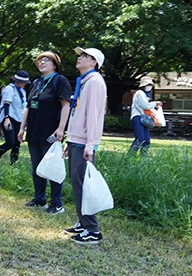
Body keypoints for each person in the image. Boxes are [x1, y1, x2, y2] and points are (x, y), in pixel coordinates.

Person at [17, 51, 72, 214]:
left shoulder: (59, 81)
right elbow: (28, 106)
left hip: (50, 132)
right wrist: (22, 128)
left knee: (52, 166)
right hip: (33, 131)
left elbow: (66, 105)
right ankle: (39, 199)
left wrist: (61, 128)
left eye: (46, 60)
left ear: (54, 65)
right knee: (37, 167)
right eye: (40, 60)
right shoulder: (36, 83)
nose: (42, 62)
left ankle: (57, 203)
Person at [64, 47, 108, 245]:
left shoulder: (95, 82)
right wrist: (69, 139)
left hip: (84, 141)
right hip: (77, 139)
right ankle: (83, 223)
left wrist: (90, 143)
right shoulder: (85, 82)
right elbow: (78, 113)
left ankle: (92, 229)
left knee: (82, 184)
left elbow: (93, 115)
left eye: (85, 56)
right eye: (80, 55)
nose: (79, 58)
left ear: (94, 62)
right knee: (77, 182)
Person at [0, 70, 30, 169]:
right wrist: (6, 118)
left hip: (19, 119)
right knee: (10, 142)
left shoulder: (22, 91)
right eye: (22, 82)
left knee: (17, 143)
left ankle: (14, 164)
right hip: (9, 118)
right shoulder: (10, 89)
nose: (24, 84)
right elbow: (6, 104)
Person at [129, 75, 163, 154]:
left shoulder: (145, 94)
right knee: (140, 138)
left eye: (150, 85)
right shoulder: (140, 93)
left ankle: (144, 156)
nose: (149, 87)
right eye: (148, 85)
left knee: (146, 139)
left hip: (144, 118)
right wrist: (155, 103)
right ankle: (130, 156)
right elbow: (145, 105)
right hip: (138, 117)